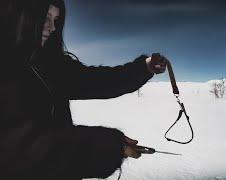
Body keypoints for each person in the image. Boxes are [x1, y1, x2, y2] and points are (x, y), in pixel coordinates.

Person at [0, 0, 167, 179]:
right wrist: (106, 145)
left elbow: (99, 81)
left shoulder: (52, 64)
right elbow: (19, 148)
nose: (52, 28)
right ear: (21, 16)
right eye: (45, 17)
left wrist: (143, 68)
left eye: (56, 20)